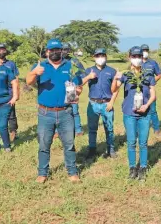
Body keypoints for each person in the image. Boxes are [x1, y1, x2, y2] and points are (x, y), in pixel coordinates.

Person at [26, 38, 83, 184]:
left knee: (69, 144)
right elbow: (28, 82)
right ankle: (42, 173)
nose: (55, 52)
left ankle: (72, 172)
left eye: (58, 49)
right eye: (52, 50)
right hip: (45, 113)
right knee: (44, 144)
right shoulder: (40, 66)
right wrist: (35, 73)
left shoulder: (71, 66)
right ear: (47, 52)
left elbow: (79, 86)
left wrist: (77, 93)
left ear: (62, 51)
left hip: (66, 112)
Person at [111, 46, 156, 182]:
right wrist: (115, 78)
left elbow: (153, 94)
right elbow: (114, 89)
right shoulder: (125, 74)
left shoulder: (148, 74)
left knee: (143, 142)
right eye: (134, 56)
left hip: (144, 113)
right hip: (129, 113)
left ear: (143, 58)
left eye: (139, 57)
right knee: (131, 142)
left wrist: (146, 105)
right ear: (129, 57)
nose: (137, 59)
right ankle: (132, 168)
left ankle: (142, 167)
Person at [81, 48, 119, 159]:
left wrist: (111, 102)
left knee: (109, 128)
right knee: (92, 128)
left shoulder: (111, 71)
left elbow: (116, 89)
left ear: (106, 56)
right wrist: (88, 77)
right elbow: (80, 84)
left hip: (107, 104)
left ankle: (110, 149)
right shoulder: (89, 70)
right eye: (98, 56)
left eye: (102, 55)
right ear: (94, 57)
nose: (100, 58)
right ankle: (92, 149)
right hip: (93, 104)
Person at [0, 43, 20, 142]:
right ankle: (2, 132)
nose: (1, 52)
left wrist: (17, 93)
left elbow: (16, 79)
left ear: (6, 51)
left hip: (9, 92)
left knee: (11, 114)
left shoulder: (11, 64)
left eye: (3, 49)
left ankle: (13, 131)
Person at [60, 43, 85, 137]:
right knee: (59, 110)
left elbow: (82, 74)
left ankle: (78, 130)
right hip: (60, 89)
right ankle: (57, 131)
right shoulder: (58, 61)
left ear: (69, 51)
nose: (64, 52)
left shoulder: (75, 61)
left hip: (71, 88)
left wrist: (78, 86)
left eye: (66, 50)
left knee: (74, 110)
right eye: (62, 49)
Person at [140, 44, 161, 136]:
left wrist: (151, 83)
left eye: (146, 50)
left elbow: (159, 75)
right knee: (138, 109)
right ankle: (140, 128)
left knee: (152, 110)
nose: (145, 52)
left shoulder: (153, 63)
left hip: (150, 91)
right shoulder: (137, 62)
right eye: (143, 50)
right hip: (139, 91)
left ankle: (156, 129)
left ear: (148, 51)